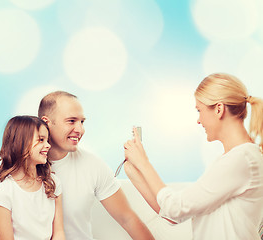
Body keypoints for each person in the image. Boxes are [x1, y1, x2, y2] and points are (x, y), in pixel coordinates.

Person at [123, 73, 263, 240]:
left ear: (219, 109)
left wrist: (143, 163)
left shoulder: (242, 159)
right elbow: (171, 215)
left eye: (199, 110)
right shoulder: (234, 160)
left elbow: (175, 207)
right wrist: (133, 170)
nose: (198, 120)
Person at [38, 91, 154, 240]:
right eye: (71, 121)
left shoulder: (93, 166)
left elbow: (128, 219)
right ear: (46, 122)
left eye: (82, 122)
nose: (80, 130)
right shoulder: (21, 167)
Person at [0, 116, 65, 240]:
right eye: (41, 140)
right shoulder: (5, 190)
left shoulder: (52, 182)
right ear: (21, 143)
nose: (48, 145)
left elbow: (59, 233)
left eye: (47, 140)